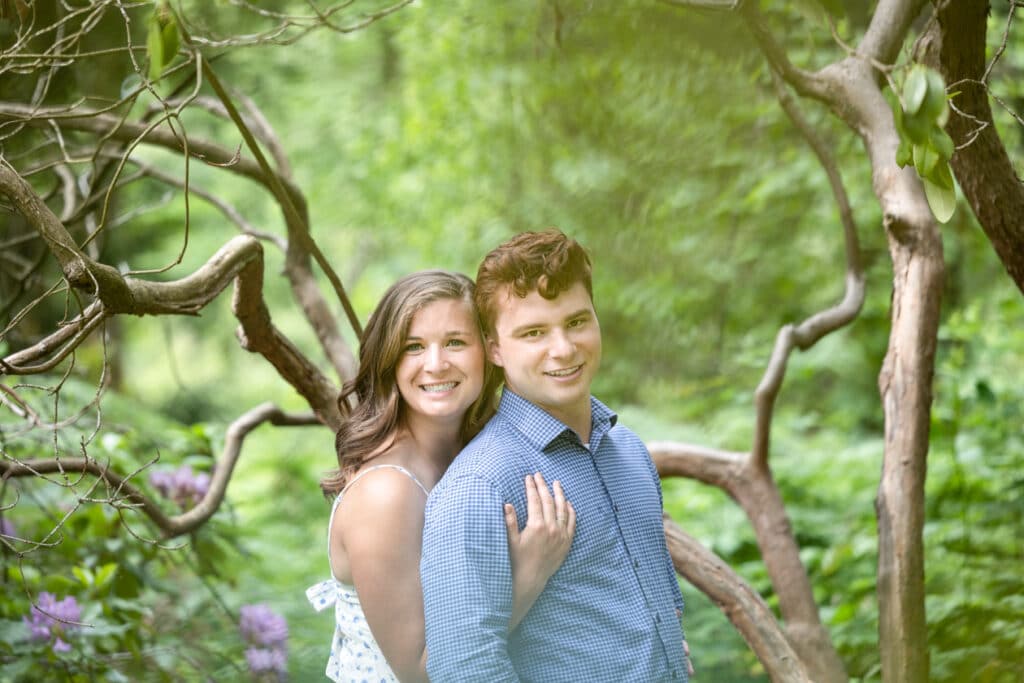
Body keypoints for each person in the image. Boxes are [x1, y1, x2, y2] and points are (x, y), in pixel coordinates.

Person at [421, 231, 692, 681]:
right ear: (495, 350)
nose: (563, 348)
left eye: (576, 322)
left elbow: (662, 606)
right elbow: (463, 668)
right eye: (533, 333)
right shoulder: (480, 486)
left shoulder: (628, 451)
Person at [306, 270, 576, 683]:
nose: (436, 364)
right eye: (414, 347)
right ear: (389, 361)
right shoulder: (387, 493)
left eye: (455, 342)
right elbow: (422, 672)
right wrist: (527, 575)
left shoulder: (479, 460)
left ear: (489, 351)